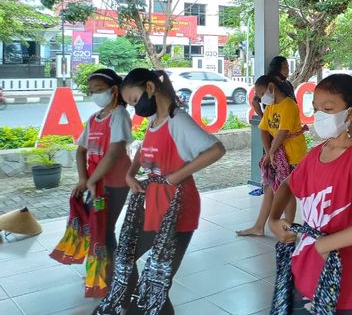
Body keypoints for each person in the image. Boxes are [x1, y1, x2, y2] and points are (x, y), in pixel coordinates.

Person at [269, 74, 352, 314]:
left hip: (341, 280)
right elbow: (287, 185)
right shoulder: (317, 154)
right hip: (304, 268)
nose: (319, 116)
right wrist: (273, 219)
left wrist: (324, 244)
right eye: (316, 109)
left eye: (327, 108)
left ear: (351, 113)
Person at [115, 68, 225, 313]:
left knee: (159, 280)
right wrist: (130, 174)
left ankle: (140, 306)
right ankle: (133, 301)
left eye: (134, 100)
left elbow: (216, 150)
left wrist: (177, 176)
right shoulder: (155, 121)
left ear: (150, 88)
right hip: (155, 207)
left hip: (178, 210)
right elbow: (145, 148)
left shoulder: (178, 120)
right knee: (129, 258)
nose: (135, 108)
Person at [73, 68, 132, 285]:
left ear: (114, 89)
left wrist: (91, 180)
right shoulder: (93, 119)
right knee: (97, 225)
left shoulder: (119, 115)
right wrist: (83, 179)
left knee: (106, 227)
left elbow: (114, 152)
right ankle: (102, 268)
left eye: (99, 89)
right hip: (94, 184)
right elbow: (80, 150)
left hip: (114, 183)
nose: (95, 94)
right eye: (91, 91)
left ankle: (111, 273)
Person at [237, 74, 307, 237]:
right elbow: (264, 129)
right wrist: (269, 153)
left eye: (261, 93)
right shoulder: (271, 107)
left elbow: (282, 132)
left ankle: (289, 229)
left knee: (287, 192)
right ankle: (259, 226)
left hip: (293, 154)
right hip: (276, 153)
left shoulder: (288, 105)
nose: (261, 98)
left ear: (271, 87)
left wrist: (271, 154)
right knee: (269, 188)